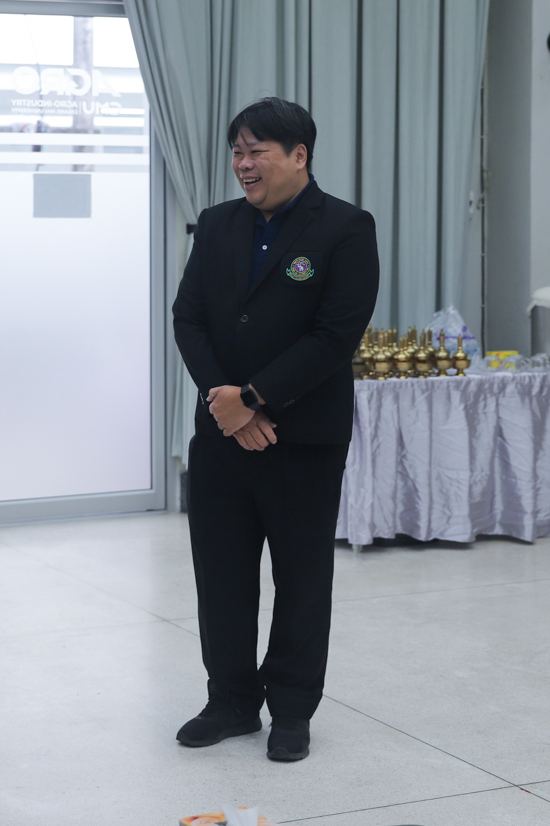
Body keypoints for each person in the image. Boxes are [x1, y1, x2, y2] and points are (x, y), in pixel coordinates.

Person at [171, 97, 379, 762]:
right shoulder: (217, 224)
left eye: (256, 151)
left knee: (301, 579)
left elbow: (335, 335)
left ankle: (291, 709)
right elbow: (188, 318)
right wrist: (226, 404)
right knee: (222, 576)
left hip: (303, 439)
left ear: (299, 155)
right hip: (221, 436)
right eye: (237, 152)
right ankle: (231, 701)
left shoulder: (346, 228)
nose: (243, 164)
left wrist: (256, 399)